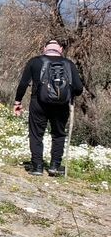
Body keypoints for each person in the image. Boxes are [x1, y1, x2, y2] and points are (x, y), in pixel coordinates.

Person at [13, 40, 85, 176]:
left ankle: (37, 167)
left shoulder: (35, 61)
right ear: (61, 49)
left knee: (36, 134)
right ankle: (54, 167)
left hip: (38, 103)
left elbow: (23, 84)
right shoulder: (69, 64)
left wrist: (17, 102)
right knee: (58, 134)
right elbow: (79, 88)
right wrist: (68, 94)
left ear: (44, 48)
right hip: (62, 105)